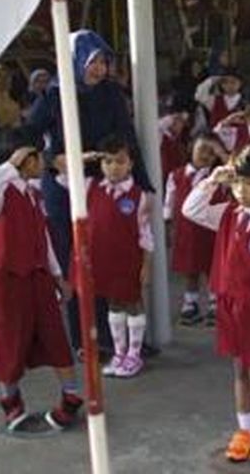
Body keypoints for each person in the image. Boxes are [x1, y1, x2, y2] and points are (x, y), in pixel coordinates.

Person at [28, 29, 151, 358]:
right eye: (92, 61)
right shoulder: (54, 94)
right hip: (65, 189)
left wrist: (144, 183)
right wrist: (52, 160)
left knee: (111, 260)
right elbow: (24, 135)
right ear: (74, 61)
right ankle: (85, 339)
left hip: (103, 184)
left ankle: (120, 337)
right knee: (76, 263)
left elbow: (127, 135)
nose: (98, 68)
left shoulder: (110, 92)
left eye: (103, 61)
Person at [183, 145, 250, 465]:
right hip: (228, 306)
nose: (241, 191)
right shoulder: (229, 213)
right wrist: (213, 180)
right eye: (237, 183)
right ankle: (245, 430)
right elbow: (191, 210)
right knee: (239, 370)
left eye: (249, 183)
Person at [0, 133, 82, 431]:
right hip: (5, 280)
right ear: (24, 158)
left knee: (54, 336)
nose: (42, 162)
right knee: (7, 341)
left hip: (37, 276)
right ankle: (10, 401)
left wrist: (59, 276)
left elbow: (43, 238)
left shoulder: (33, 193)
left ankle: (71, 395)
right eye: (37, 156)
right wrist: (11, 163)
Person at [84, 136, 154, 379]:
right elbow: (62, 177)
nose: (114, 166)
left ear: (131, 164)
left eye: (120, 161)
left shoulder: (139, 195)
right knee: (113, 302)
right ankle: (119, 352)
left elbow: (145, 233)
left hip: (128, 258)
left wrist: (146, 264)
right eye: (108, 161)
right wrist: (83, 158)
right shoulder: (90, 187)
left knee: (133, 302)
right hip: (102, 258)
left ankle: (134, 354)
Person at [167, 133, 227, 327]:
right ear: (191, 148)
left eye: (211, 152)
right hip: (185, 230)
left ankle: (214, 303)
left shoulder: (218, 176)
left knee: (212, 267)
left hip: (209, 230)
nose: (206, 155)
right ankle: (190, 303)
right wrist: (168, 224)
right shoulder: (176, 175)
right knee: (189, 267)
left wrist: (222, 153)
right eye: (202, 149)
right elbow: (169, 203)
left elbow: (236, 170)